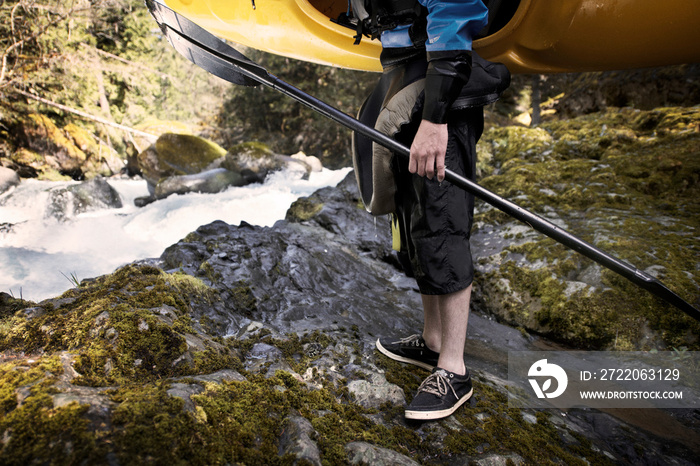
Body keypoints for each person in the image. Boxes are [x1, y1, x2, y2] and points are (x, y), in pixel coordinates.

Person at [349, 0, 510, 420]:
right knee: (413, 219)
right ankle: (433, 339)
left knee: (443, 222)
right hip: (403, 77)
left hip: (442, 90)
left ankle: (453, 369)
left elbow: (455, 12)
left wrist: (435, 119)